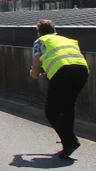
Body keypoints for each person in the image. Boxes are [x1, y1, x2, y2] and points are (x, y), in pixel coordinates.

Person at [29, 19, 89, 159]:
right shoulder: (66, 39)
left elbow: (36, 68)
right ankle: (67, 139)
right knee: (68, 105)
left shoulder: (40, 41)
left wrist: (34, 74)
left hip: (62, 71)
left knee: (51, 111)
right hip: (82, 70)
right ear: (55, 30)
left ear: (39, 32)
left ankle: (70, 141)